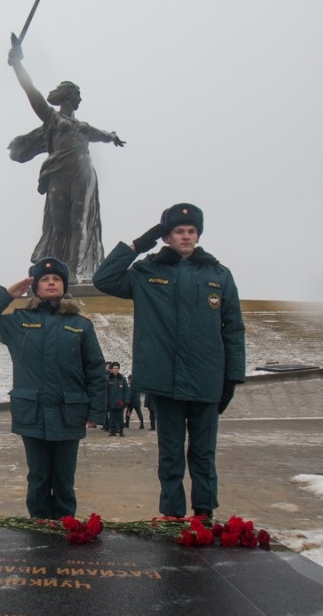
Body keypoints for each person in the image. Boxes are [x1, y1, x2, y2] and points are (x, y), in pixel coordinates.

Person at [93, 203, 246, 520]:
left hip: (207, 380)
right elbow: (103, 279)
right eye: (178, 231)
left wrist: (232, 378)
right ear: (167, 236)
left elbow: (233, 329)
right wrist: (139, 243)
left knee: (203, 452)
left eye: (191, 231)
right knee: (171, 453)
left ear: (198, 234)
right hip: (165, 380)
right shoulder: (147, 272)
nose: (186, 236)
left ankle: (204, 513)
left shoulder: (219, 275)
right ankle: (172, 513)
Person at [0, 257, 106, 519]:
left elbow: (95, 369)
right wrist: (6, 295)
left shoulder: (81, 324)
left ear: (63, 286)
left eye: (56, 279)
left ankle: (65, 523)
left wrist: (96, 411)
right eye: (45, 279)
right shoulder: (19, 321)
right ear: (36, 287)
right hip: (32, 411)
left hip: (69, 411)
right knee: (38, 475)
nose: (50, 283)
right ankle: (39, 525)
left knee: (63, 477)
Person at [6, 36, 125, 280]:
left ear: (68, 96)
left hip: (82, 171)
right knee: (58, 224)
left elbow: (102, 135)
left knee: (79, 222)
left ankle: (74, 273)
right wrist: (18, 64)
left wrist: (112, 136)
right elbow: (31, 91)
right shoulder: (52, 119)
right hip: (58, 172)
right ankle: (55, 271)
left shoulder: (82, 126)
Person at [105, 362, 129, 436]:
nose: (115, 370)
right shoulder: (108, 379)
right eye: (114, 368)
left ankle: (121, 430)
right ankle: (112, 431)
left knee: (120, 417)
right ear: (111, 369)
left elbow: (126, 391)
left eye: (117, 368)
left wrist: (126, 401)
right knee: (111, 417)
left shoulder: (122, 379)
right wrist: (106, 401)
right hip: (111, 402)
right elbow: (106, 391)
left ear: (119, 369)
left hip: (120, 402)